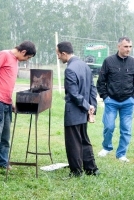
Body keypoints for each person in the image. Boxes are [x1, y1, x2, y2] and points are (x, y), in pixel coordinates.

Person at [0, 40, 36, 174]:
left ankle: (3, 162)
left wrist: (11, 101)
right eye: (27, 57)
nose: (26, 60)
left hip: (6, 103)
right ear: (23, 52)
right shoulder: (4, 54)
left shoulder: (15, 61)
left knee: (5, 136)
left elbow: (6, 82)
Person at [56, 41, 99, 177]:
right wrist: (92, 107)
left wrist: (88, 106)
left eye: (58, 54)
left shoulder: (70, 69)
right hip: (84, 111)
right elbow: (93, 89)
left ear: (64, 53)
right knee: (84, 140)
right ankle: (91, 169)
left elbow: (73, 94)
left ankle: (76, 171)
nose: (58, 57)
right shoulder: (85, 66)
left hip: (74, 111)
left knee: (73, 142)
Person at [97, 36, 134, 162]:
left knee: (126, 129)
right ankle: (106, 147)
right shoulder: (108, 61)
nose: (128, 49)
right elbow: (101, 81)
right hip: (111, 101)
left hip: (128, 102)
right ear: (118, 46)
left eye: (130, 46)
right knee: (109, 126)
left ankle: (121, 154)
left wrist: (132, 98)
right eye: (125, 46)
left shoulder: (133, 62)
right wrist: (105, 97)